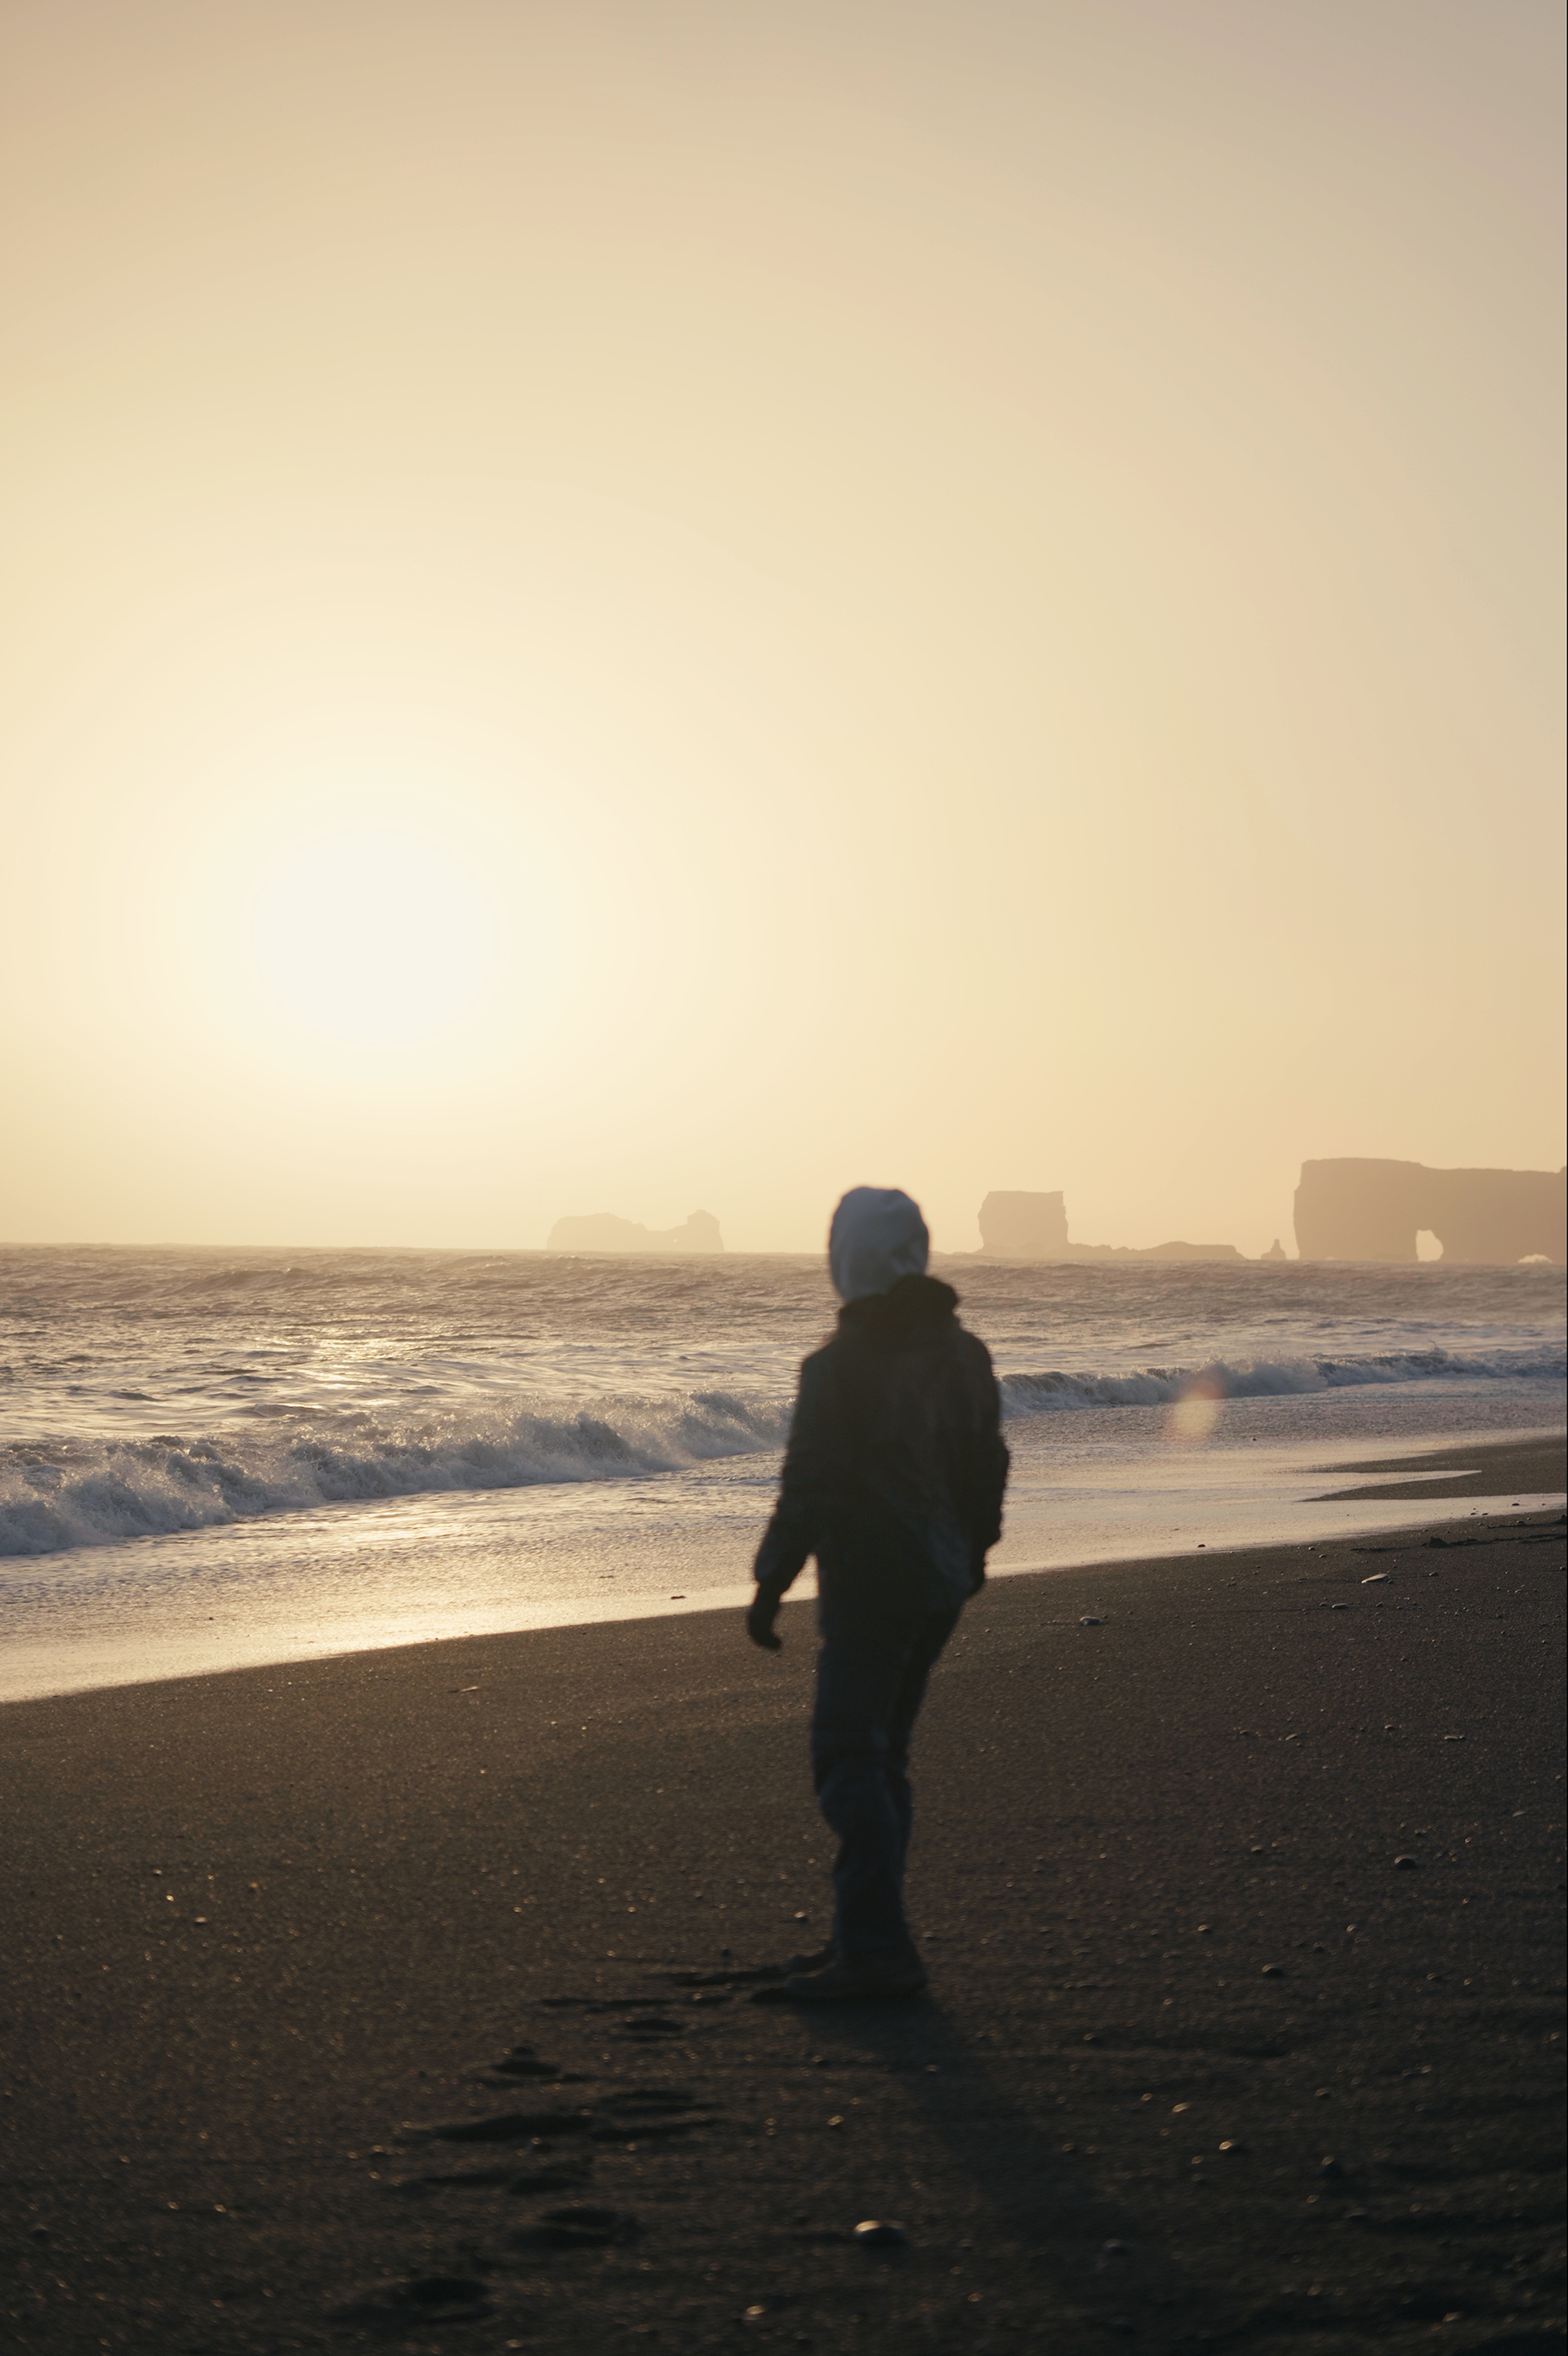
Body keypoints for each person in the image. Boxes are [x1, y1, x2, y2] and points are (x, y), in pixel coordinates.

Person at [746, 1186, 1009, 2000]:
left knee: (847, 1755)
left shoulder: (839, 1366)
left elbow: (811, 1485)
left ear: (847, 1259)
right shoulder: (965, 1353)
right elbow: (987, 1466)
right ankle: (863, 1933)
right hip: (941, 1580)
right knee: (883, 1753)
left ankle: (876, 1949)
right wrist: (972, 1554)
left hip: (872, 1582)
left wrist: (770, 1582)